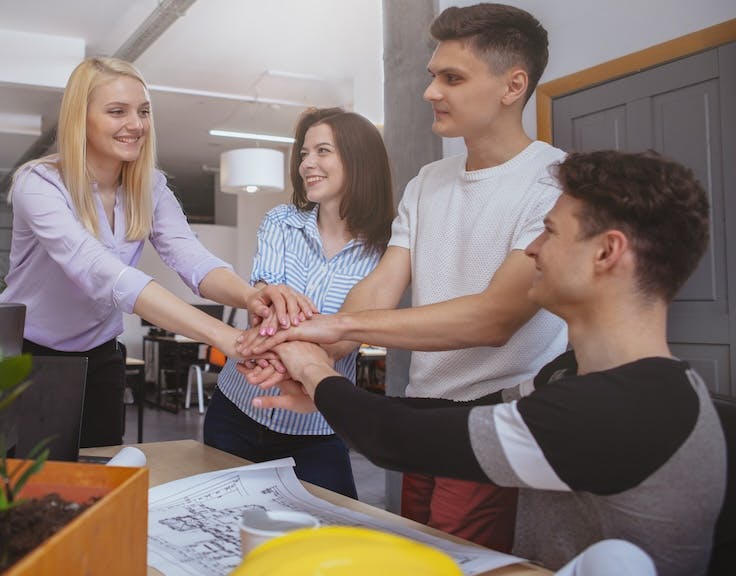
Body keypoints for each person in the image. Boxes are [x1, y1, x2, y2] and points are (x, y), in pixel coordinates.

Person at [252, 150, 726, 576]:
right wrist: (325, 396)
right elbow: (464, 414)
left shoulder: (620, 409)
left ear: (607, 252)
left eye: (551, 231)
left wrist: (314, 370)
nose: (533, 249)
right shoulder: (574, 374)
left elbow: (396, 439)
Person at [237, 3, 566, 551]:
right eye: (433, 75)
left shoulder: (552, 181)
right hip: (421, 414)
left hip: (493, 418)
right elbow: (377, 294)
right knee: (416, 549)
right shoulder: (428, 181)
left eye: (452, 78)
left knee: (459, 559)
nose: (430, 92)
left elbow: (494, 318)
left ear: (513, 85)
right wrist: (300, 344)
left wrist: (322, 337)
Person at [0, 57, 314, 448]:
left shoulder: (151, 188)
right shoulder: (40, 184)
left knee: (103, 479)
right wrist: (226, 337)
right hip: (31, 355)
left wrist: (250, 295)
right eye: (117, 111)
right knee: (31, 491)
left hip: (100, 358)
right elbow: (104, 274)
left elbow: (191, 258)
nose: (136, 124)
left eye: (143, 111)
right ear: (81, 118)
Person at [203, 108, 394, 499]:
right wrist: (291, 323)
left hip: (317, 429)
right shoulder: (280, 222)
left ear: (357, 160)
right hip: (237, 411)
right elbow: (266, 308)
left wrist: (309, 340)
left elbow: (352, 333)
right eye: (304, 153)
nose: (307, 163)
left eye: (322, 151)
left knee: (329, 544)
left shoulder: (384, 251)